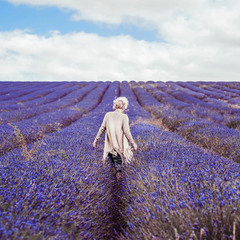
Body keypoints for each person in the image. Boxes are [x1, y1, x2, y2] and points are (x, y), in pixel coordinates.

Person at [93, 97, 137, 180]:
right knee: (118, 164)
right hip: (118, 146)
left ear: (115, 106)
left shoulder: (108, 115)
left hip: (109, 146)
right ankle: (118, 178)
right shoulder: (124, 117)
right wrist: (133, 143)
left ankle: (114, 183)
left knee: (112, 164)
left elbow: (102, 128)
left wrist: (96, 140)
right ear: (124, 107)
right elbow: (127, 131)